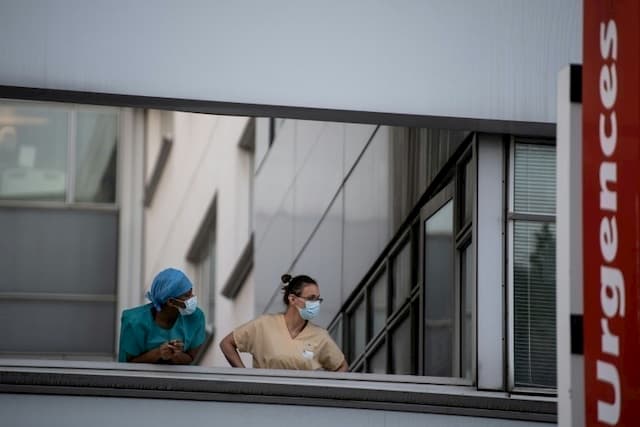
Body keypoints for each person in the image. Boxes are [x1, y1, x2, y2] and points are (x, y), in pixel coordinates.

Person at [220, 273, 348, 371]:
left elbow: (342, 366)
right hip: (265, 398)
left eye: (318, 299)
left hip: (302, 402)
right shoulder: (264, 325)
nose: (316, 304)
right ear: (292, 299)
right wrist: (245, 377)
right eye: (311, 298)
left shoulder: (320, 336)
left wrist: (323, 394)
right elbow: (226, 344)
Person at [118, 268, 205, 364]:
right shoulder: (134, 321)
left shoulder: (196, 317)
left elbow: (192, 359)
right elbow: (127, 364)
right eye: (187, 296)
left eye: (191, 293)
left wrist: (175, 354)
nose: (192, 298)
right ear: (171, 301)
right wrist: (158, 353)